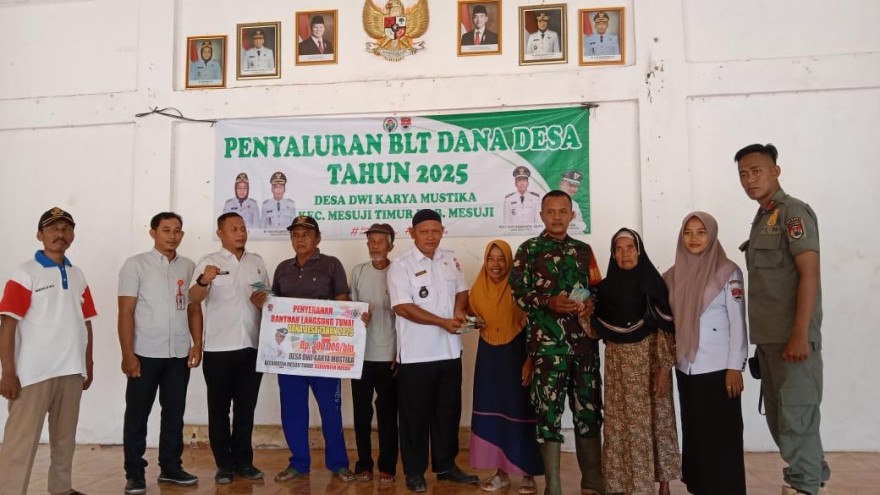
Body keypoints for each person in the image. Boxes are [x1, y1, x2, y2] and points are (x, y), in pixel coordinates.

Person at [735, 143, 829, 495]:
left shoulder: (793, 213)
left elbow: (809, 273)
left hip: (793, 339)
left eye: (756, 171)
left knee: (796, 417)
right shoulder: (763, 218)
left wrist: (800, 334)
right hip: (770, 340)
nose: (749, 179)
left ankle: (806, 485)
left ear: (776, 171)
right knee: (780, 417)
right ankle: (812, 475)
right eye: (743, 174)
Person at [509, 191, 604, 495]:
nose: (557, 217)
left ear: (572, 215)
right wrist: (547, 301)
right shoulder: (528, 250)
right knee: (548, 414)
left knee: (589, 411)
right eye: (551, 211)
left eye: (563, 211)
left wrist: (591, 303)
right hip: (547, 349)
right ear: (541, 215)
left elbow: (597, 288)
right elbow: (517, 293)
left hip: (584, 348)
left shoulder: (584, 251)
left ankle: (592, 481)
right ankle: (554, 486)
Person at [0, 207, 97, 495]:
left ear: (73, 235)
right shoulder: (25, 273)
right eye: (53, 228)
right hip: (33, 373)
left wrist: (87, 363)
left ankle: (61, 488)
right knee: (20, 440)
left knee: (65, 438)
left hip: (71, 370)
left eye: (66, 228)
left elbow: (86, 322)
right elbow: (7, 324)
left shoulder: (78, 275)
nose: (60, 234)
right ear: (39, 234)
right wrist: (8, 373)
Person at [387, 209, 479, 493]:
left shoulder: (450, 259)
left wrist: (459, 310)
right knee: (414, 417)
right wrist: (442, 322)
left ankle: (446, 467)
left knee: (448, 413)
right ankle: (414, 472)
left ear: (442, 231)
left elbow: (462, 290)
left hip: (450, 352)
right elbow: (403, 307)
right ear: (412, 233)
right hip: (417, 356)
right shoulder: (400, 265)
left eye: (436, 230)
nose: (430, 236)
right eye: (424, 231)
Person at [591, 228, 680, 495]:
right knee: (620, 424)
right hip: (618, 366)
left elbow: (665, 330)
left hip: (649, 364)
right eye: (618, 249)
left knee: (657, 421)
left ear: (639, 251)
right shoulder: (604, 289)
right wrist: (582, 309)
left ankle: (663, 485)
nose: (625, 254)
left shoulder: (653, 285)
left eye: (630, 248)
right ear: (613, 254)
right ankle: (623, 484)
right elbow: (595, 330)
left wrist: (664, 368)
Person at [118, 212, 202, 494]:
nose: (172, 235)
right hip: (145, 353)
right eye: (166, 230)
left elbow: (193, 307)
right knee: (137, 414)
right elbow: (126, 311)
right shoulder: (135, 265)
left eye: (177, 230)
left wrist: (197, 343)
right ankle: (134, 473)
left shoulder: (188, 266)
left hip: (178, 353)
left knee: (174, 413)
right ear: (153, 232)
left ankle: (171, 467)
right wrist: (128, 354)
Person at [664, 212, 747, 495]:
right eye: (688, 232)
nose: (694, 238)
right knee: (696, 433)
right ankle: (700, 488)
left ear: (711, 235)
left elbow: (738, 323)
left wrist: (735, 367)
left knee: (723, 435)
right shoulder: (673, 276)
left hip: (720, 370)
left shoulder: (728, 272)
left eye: (701, 232)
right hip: (686, 368)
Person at [271, 215, 356, 483]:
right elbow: (274, 308)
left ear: (318, 238)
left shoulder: (331, 265)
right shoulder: (282, 269)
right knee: (293, 410)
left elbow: (343, 304)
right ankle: (298, 463)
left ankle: (339, 464)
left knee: (331, 410)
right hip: (289, 356)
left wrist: (355, 318)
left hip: (324, 354)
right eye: (295, 234)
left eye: (306, 234)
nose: (300, 239)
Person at [189, 212, 269, 484]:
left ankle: (244, 462)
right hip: (219, 349)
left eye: (243, 228)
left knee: (246, 410)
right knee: (219, 410)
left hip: (252, 346)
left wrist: (264, 302)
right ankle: (224, 465)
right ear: (220, 233)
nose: (240, 233)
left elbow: (267, 299)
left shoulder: (256, 262)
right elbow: (194, 298)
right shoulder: (209, 262)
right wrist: (204, 280)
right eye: (234, 228)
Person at [468, 240, 543, 494]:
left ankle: (528, 475)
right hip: (489, 358)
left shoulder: (520, 287)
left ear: (510, 261)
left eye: (501, 259)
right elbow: (469, 315)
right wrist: (471, 321)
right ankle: (500, 473)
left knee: (521, 411)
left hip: (517, 355)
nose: (496, 264)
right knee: (493, 410)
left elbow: (534, 324)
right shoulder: (478, 288)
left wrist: (530, 360)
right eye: (491, 258)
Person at [349, 223, 399, 484]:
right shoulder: (358, 271)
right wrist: (358, 317)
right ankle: (364, 464)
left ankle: (388, 466)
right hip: (360, 356)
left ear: (391, 245)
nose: (374, 246)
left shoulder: (399, 272)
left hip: (389, 355)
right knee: (361, 413)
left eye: (380, 241)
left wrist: (400, 352)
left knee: (388, 414)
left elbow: (405, 316)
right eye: (371, 241)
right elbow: (349, 310)